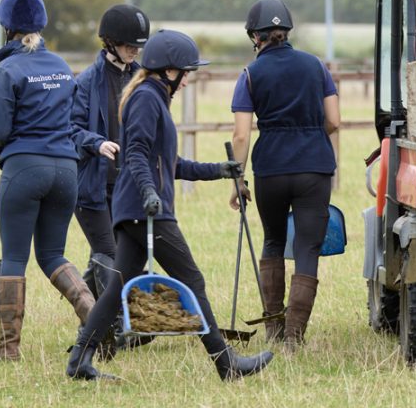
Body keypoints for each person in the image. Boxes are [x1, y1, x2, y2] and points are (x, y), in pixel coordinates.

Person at [66, 29, 274, 382]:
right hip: (146, 209)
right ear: (169, 70)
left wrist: (218, 171)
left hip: (136, 209)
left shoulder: (153, 97)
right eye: (187, 72)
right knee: (192, 279)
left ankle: (78, 361)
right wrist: (149, 193)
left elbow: (170, 163)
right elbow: (136, 154)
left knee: (116, 288)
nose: (189, 80)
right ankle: (226, 364)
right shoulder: (147, 98)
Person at [0, 0, 115, 362]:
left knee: (15, 258)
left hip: (24, 170)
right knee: (53, 254)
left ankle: (8, 349)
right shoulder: (63, 67)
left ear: (7, 28)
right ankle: (97, 327)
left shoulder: (7, 69)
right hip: (66, 171)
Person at [229, 0, 340, 347]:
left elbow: (242, 134)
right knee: (307, 247)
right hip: (314, 167)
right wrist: (309, 133)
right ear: (286, 32)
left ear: (255, 36)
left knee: (273, 240)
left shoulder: (249, 74)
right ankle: (295, 335)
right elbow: (334, 121)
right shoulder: (316, 66)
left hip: (271, 168)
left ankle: (274, 329)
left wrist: (238, 180)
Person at [72, 4, 149, 303]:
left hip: (127, 183)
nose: (134, 51)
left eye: (138, 46)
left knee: (109, 254)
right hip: (92, 184)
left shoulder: (142, 77)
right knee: (109, 252)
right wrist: (95, 143)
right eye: (129, 45)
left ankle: (88, 315)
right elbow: (71, 127)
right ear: (110, 43)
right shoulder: (86, 81)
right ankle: (118, 323)